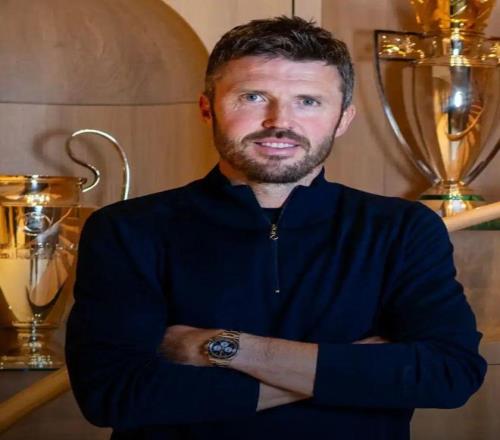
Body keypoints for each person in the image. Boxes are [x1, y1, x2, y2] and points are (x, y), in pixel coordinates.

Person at [66, 16, 487, 440]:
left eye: (308, 101)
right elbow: (113, 394)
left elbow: (449, 374)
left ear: (343, 118)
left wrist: (226, 348)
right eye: (252, 97)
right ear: (207, 109)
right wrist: (351, 372)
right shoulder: (126, 230)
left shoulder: (403, 229)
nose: (279, 121)